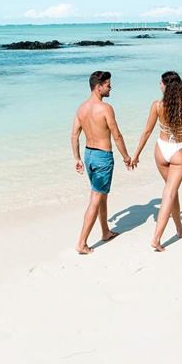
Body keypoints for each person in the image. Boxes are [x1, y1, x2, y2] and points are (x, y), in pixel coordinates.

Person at [129, 71, 182, 252]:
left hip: (161, 150)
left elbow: (147, 131)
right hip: (179, 152)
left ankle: (179, 228)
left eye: (161, 83)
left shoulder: (157, 105)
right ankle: (156, 238)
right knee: (169, 192)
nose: (159, 85)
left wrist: (136, 154)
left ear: (167, 87)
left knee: (171, 191)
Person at [71, 70, 134, 254]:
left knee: (101, 196)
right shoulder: (106, 108)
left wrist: (77, 158)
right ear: (98, 87)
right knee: (95, 199)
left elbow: (74, 135)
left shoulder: (81, 108)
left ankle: (105, 231)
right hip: (102, 158)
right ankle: (82, 243)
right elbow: (117, 135)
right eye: (107, 85)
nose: (110, 87)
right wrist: (126, 157)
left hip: (89, 155)